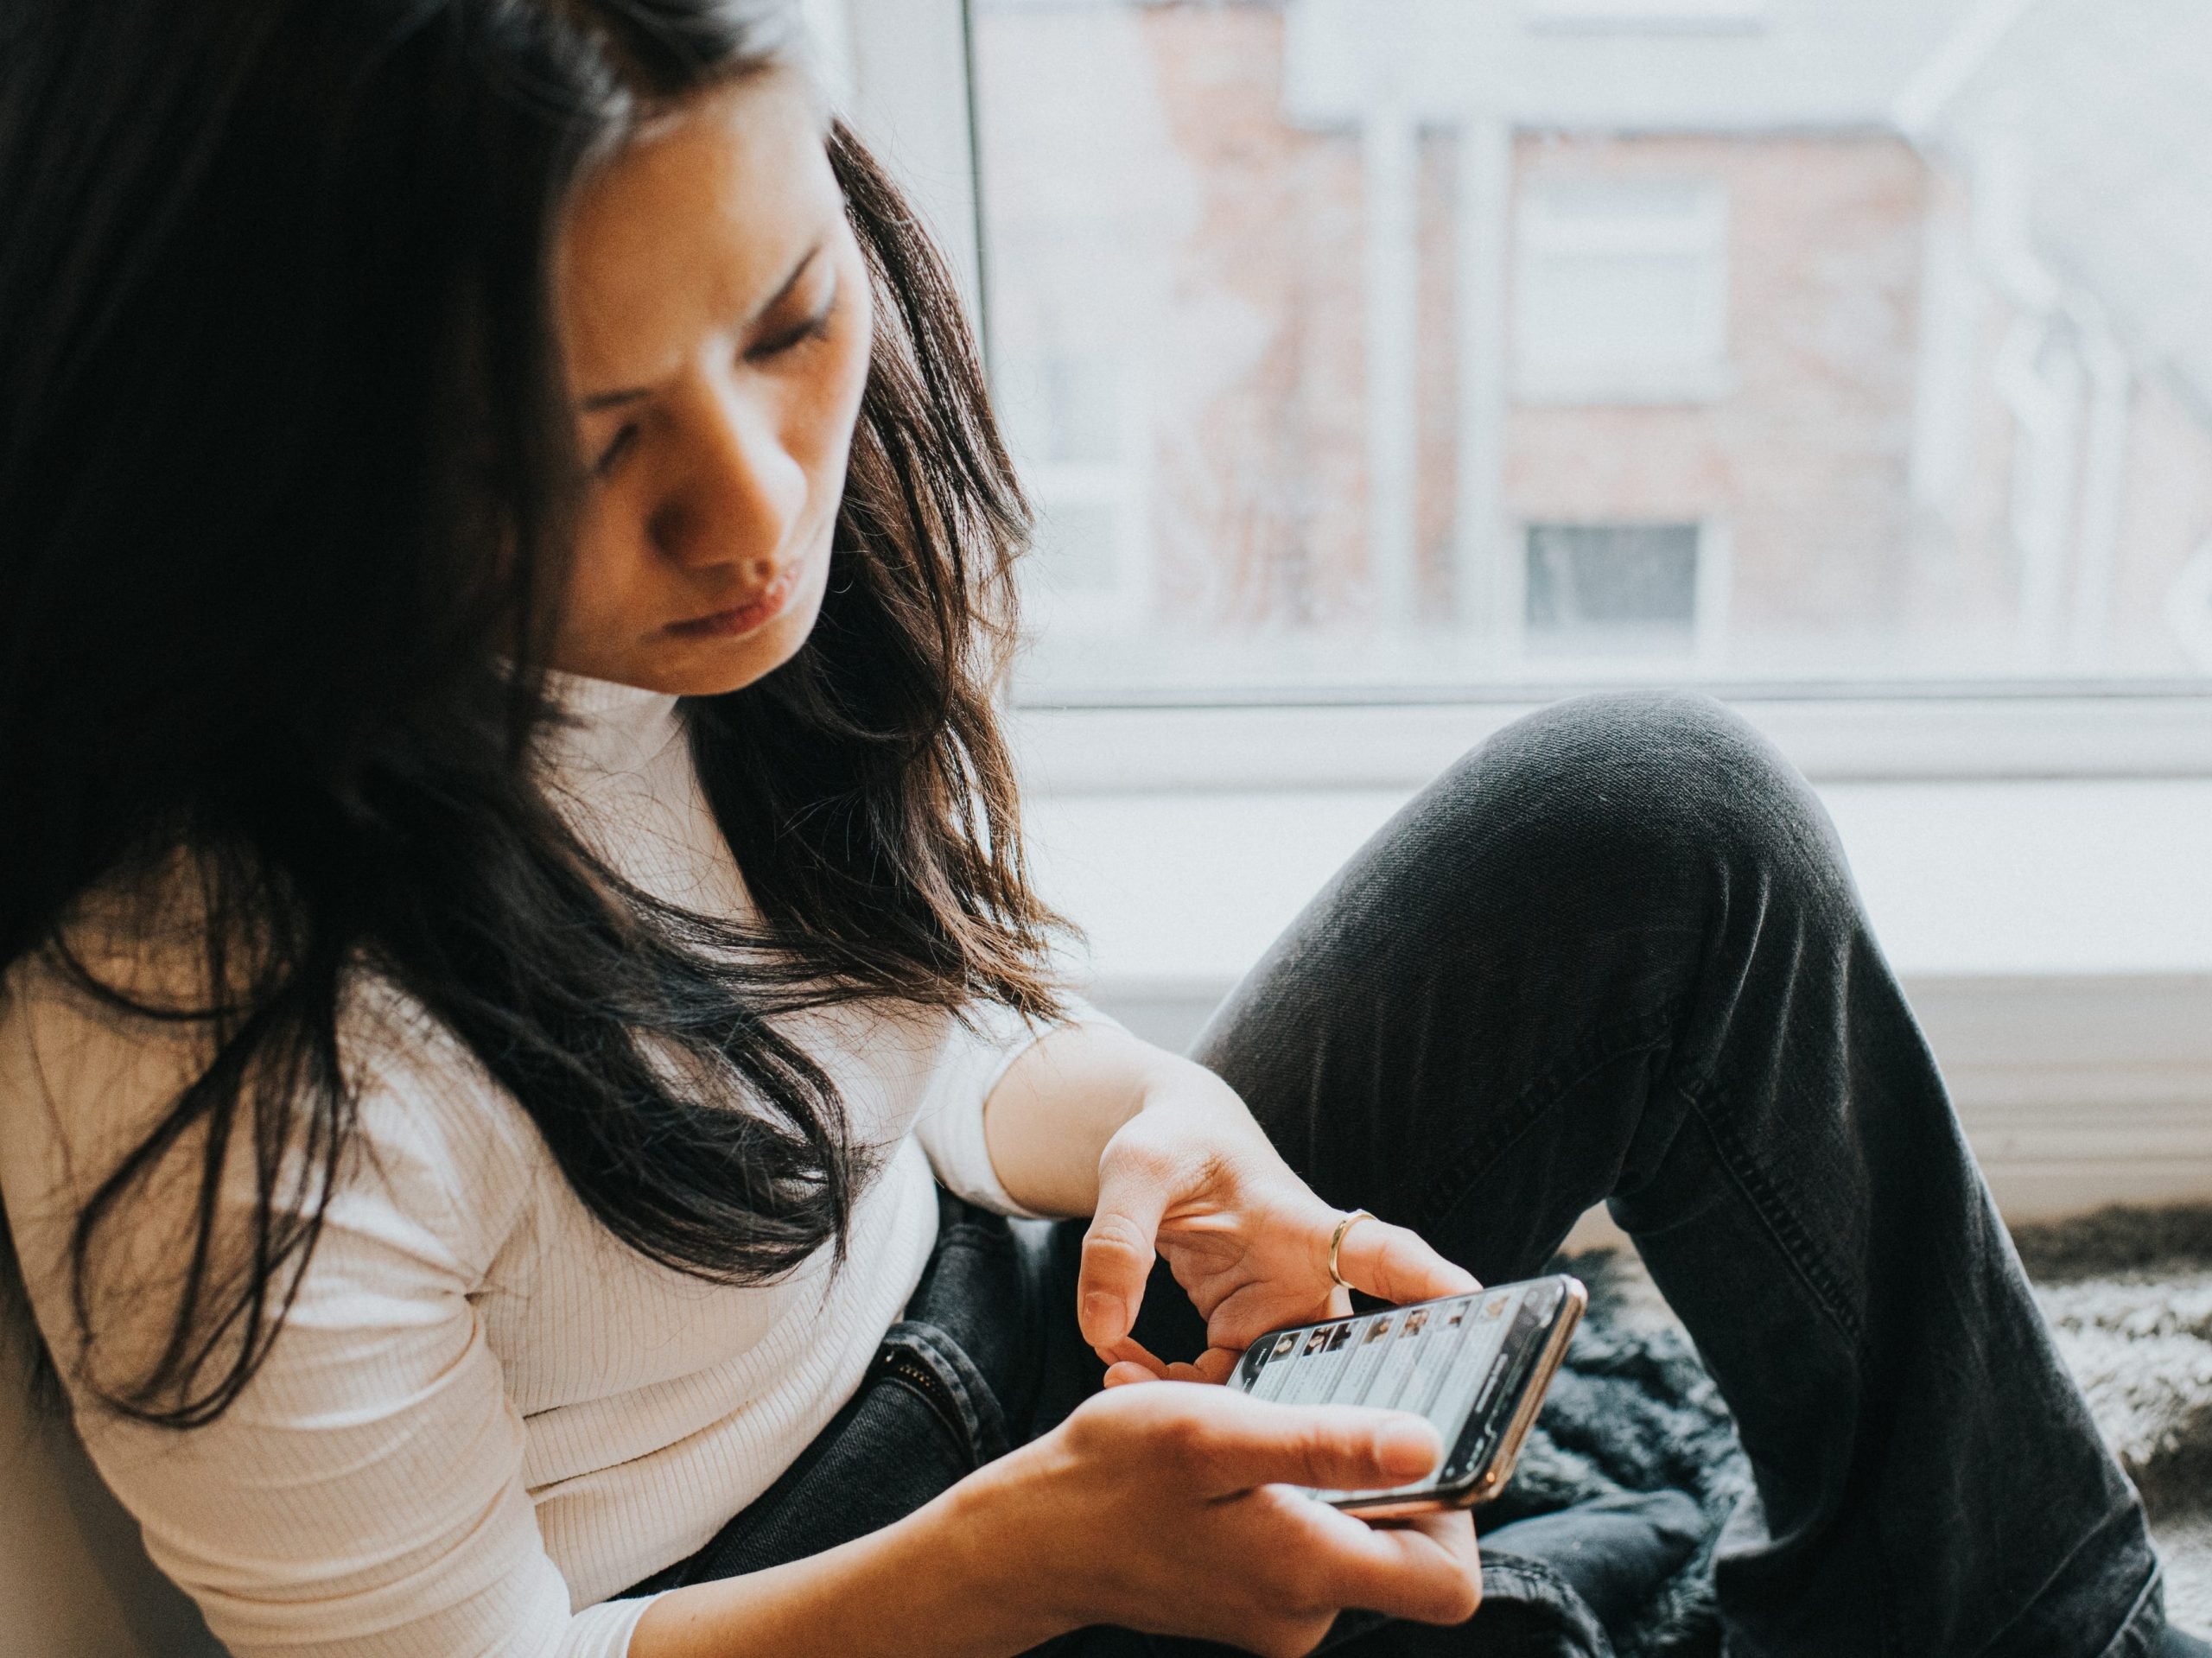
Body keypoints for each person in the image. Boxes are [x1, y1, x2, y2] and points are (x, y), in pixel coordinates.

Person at [0, 4, 2194, 1655]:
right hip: (771, 1606)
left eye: (785, 322)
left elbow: (903, 1043)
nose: (755, 514)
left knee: (1658, 827)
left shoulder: (716, 605)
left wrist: (1147, 1121)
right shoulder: (199, 1074)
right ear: (273, 451)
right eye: (570, 451)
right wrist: (1016, 1555)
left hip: (1007, 1342)